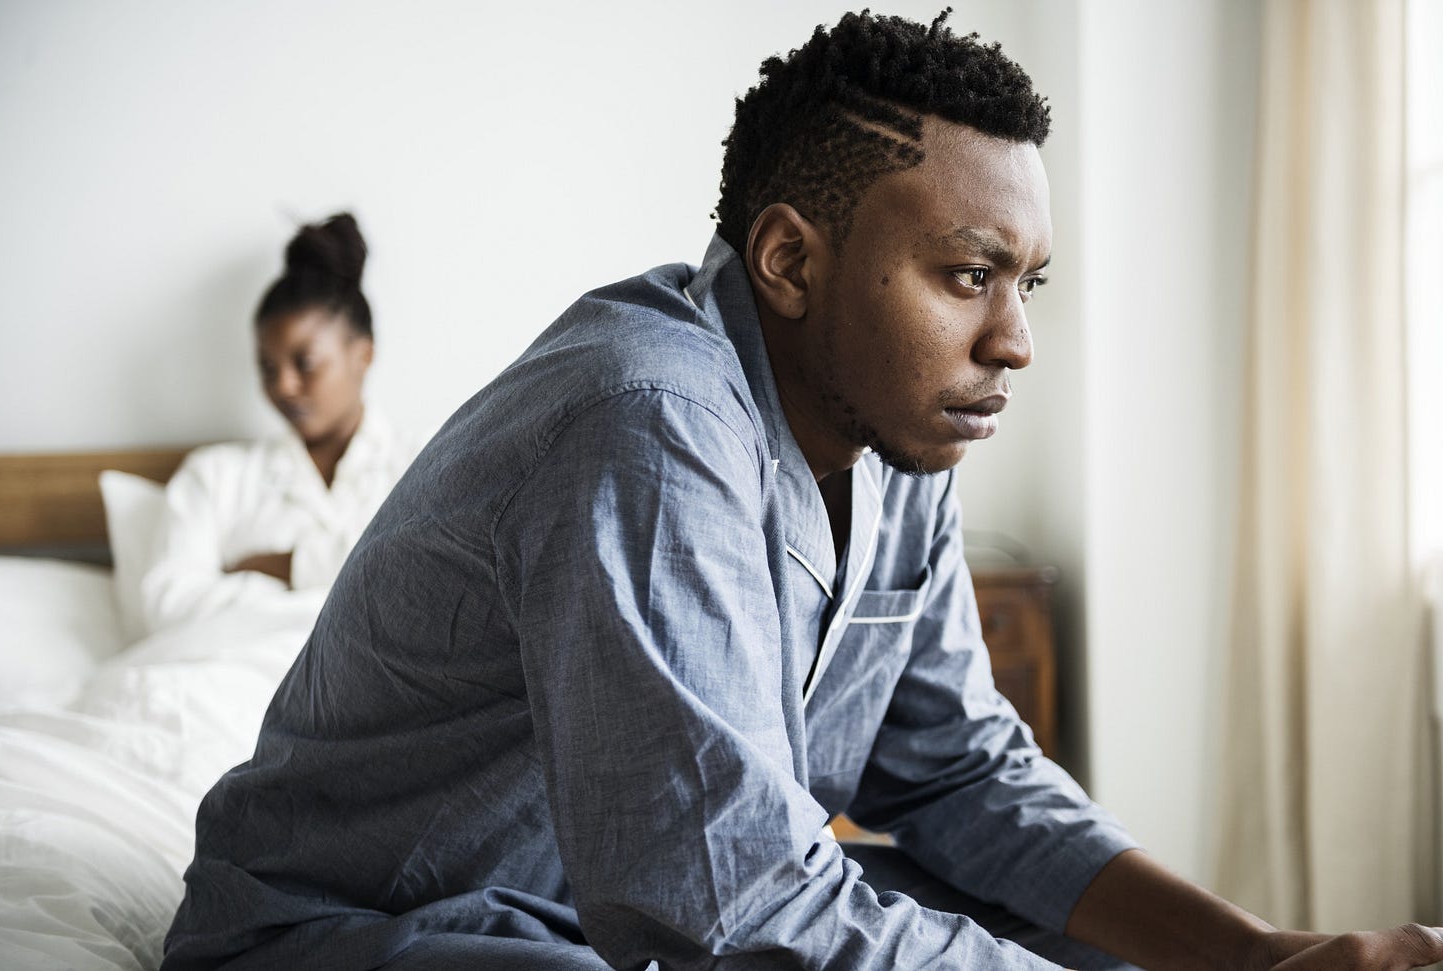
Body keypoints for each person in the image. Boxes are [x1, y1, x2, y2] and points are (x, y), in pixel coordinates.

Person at [161, 13, 1443, 971]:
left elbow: (956, 773)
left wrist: (1258, 950)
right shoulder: (647, 424)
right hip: (364, 930)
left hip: (599, 916)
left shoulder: (897, 433)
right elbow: (735, 910)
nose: (1013, 341)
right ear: (788, 259)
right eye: (968, 275)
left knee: (1097, 945)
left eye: (1027, 284)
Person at [140, 213, 417, 635]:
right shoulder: (214, 476)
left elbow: (429, 586)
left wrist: (288, 566)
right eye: (268, 369)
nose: (283, 386)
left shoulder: (426, 464)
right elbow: (167, 608)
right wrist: (341, 589)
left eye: (305, 363)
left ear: (363, 355)